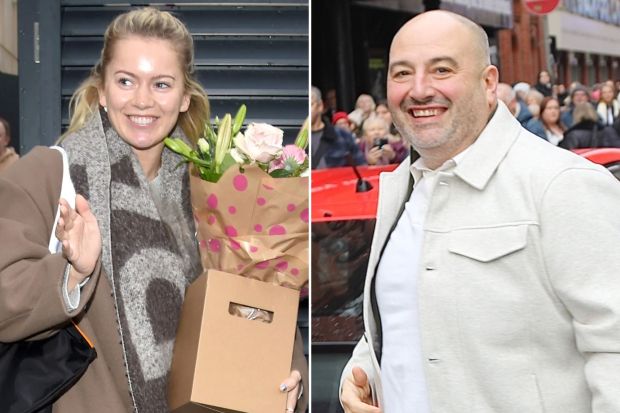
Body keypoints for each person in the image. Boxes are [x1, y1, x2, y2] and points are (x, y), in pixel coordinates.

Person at [0, 7, 307, 413]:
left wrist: (285, 373)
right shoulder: (49, 174)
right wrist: (74, 271)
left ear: (184, 97)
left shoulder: (216, 189)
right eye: (126, 81)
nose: (142, 100)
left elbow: (257, 292)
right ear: (102, 91)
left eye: (161, 84)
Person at [340, 10, 620, 413]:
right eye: (402, 74)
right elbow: (401, 317)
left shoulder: (562, 185)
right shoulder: (401, 188)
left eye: (441, 70)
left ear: (488, 84)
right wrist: (360, 371)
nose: (419, 90)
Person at [312, 86, 366, 169]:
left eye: (310, 104)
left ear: (320, 106)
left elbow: (362, 168)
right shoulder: (295, 139)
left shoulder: (343, 136)